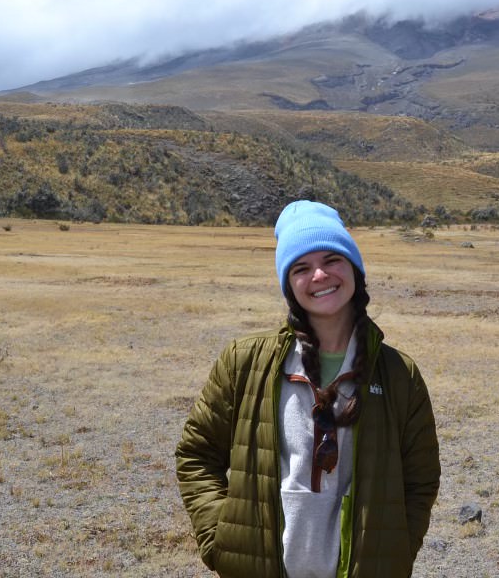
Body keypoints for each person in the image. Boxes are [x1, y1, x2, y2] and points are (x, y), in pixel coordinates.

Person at [176, 200, 441, 578]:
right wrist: (221, 539)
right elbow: (196, 455)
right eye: (301, 267)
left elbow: (420, 480)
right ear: (289, 284)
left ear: (354, 268)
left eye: (332, 259)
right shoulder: (244, 362)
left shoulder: (399, 374)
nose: (319, 275)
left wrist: (394, 551)